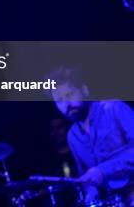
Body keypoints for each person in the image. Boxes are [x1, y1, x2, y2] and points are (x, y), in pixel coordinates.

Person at [49, 66, 134, 205]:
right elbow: (87, 179)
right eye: (59, 100)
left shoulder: (114, 108)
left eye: (70, 95)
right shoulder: (72, 136)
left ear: (84, 90)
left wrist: (103, 170)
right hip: (111, 199)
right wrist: (90, 191)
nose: (67, 105)